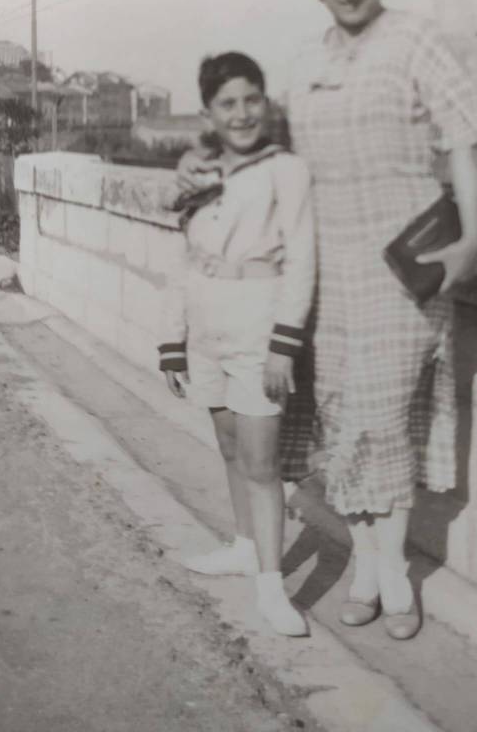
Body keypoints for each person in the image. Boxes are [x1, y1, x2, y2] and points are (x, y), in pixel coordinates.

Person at [178, 0, 477, 640]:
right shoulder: (304, 58)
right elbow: (262, 141)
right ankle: (369, 569)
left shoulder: (415, 40)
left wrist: (470, 239)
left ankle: (391, 578)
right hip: (322, 271)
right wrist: (198, 161)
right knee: (340, 420)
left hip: (403, 267)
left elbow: (463, 137)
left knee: (383, 419)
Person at [157, 51, 316, 637]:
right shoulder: (197, 171)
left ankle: (272, 589)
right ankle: (245, 546)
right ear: (209, 111)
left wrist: (284, 345)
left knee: (262, 462)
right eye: (228, 103)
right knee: (228, 448)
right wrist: (172, 340)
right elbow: (185, 257)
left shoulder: (287, 171)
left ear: (265, 102)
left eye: (252, 99)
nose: (242, 113)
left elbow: (302, 259)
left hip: (258, 323)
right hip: (207, 325)